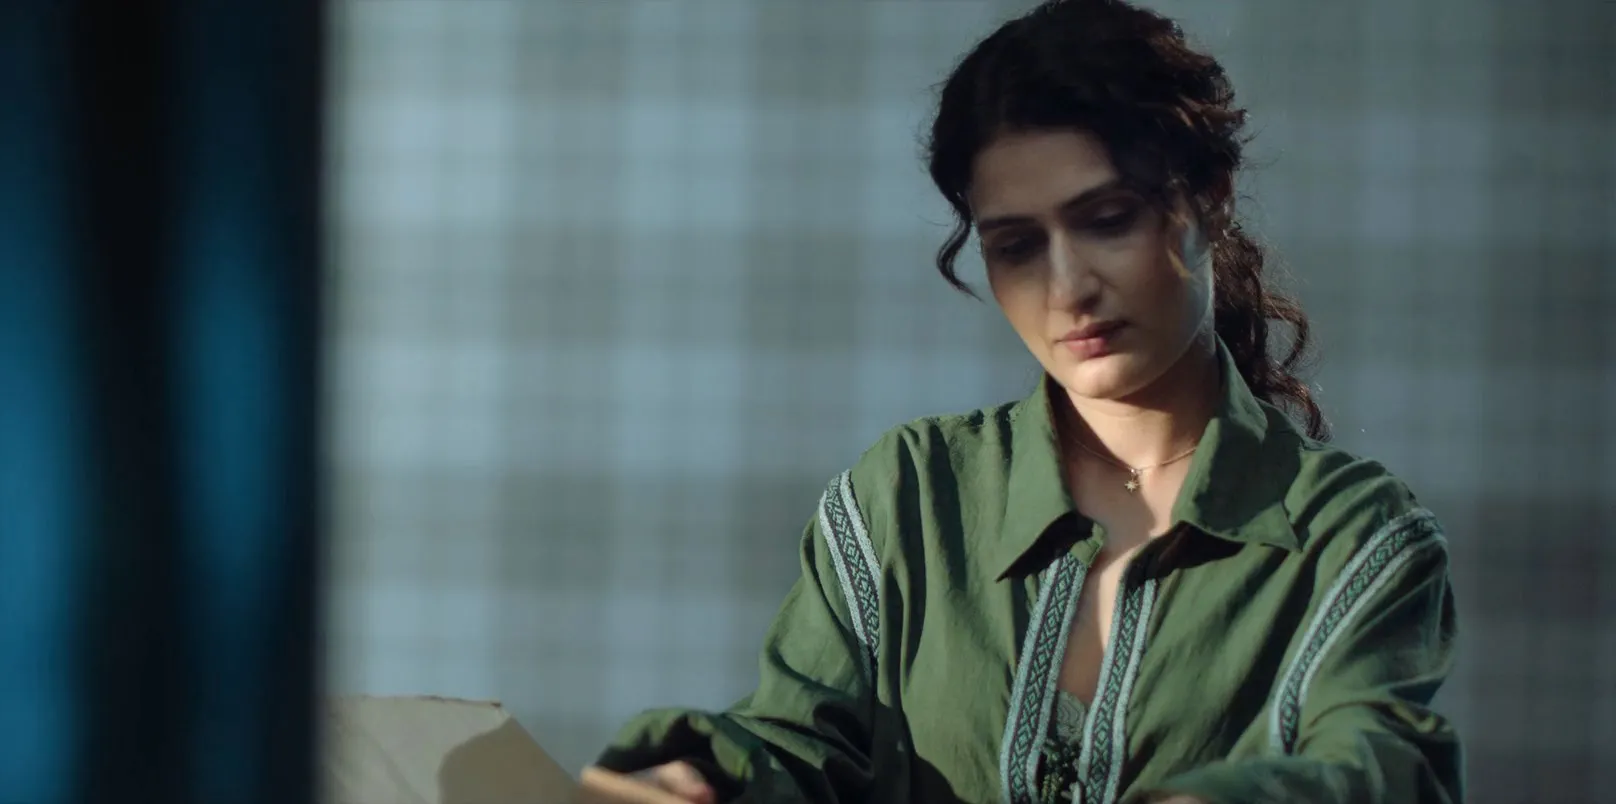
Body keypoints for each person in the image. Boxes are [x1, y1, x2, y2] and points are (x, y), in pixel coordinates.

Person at [588, 1, 1463, 802]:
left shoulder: (1352, 536)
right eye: (1015, 246)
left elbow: (1378, 767)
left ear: (1209, 200)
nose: (1067, 288)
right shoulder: (906, 497)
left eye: (1107, 220)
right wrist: (701, 780)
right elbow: (802, 744)